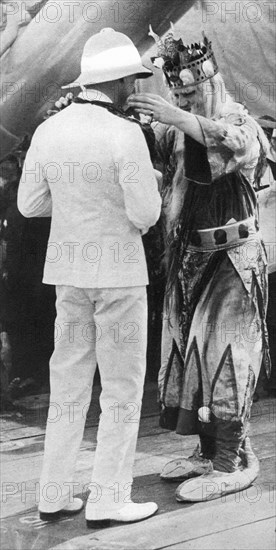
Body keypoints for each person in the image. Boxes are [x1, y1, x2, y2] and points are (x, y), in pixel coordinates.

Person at [18, 28, 161, 526]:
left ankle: (54, 494)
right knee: (122, 388)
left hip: (68, 273)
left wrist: (76, 208)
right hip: (119, 274)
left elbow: (29, 204)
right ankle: (109, 498)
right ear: (119, 82)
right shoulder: (126, 134)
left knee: (68, 384)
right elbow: (146, 213)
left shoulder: (47, 132)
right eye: (133, 80)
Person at [128, 27, 270, 501]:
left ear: (210, 81)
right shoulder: (173, 131)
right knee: (190, 356)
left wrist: (177, 118)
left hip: (233, 261)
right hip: (188, 258)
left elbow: (236, 147)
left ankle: (232, 459)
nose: (184, 99)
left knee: (228, 355)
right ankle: (208, 453)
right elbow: (173, 184)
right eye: (177, 92)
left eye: (191, 91)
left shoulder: (239, 119)